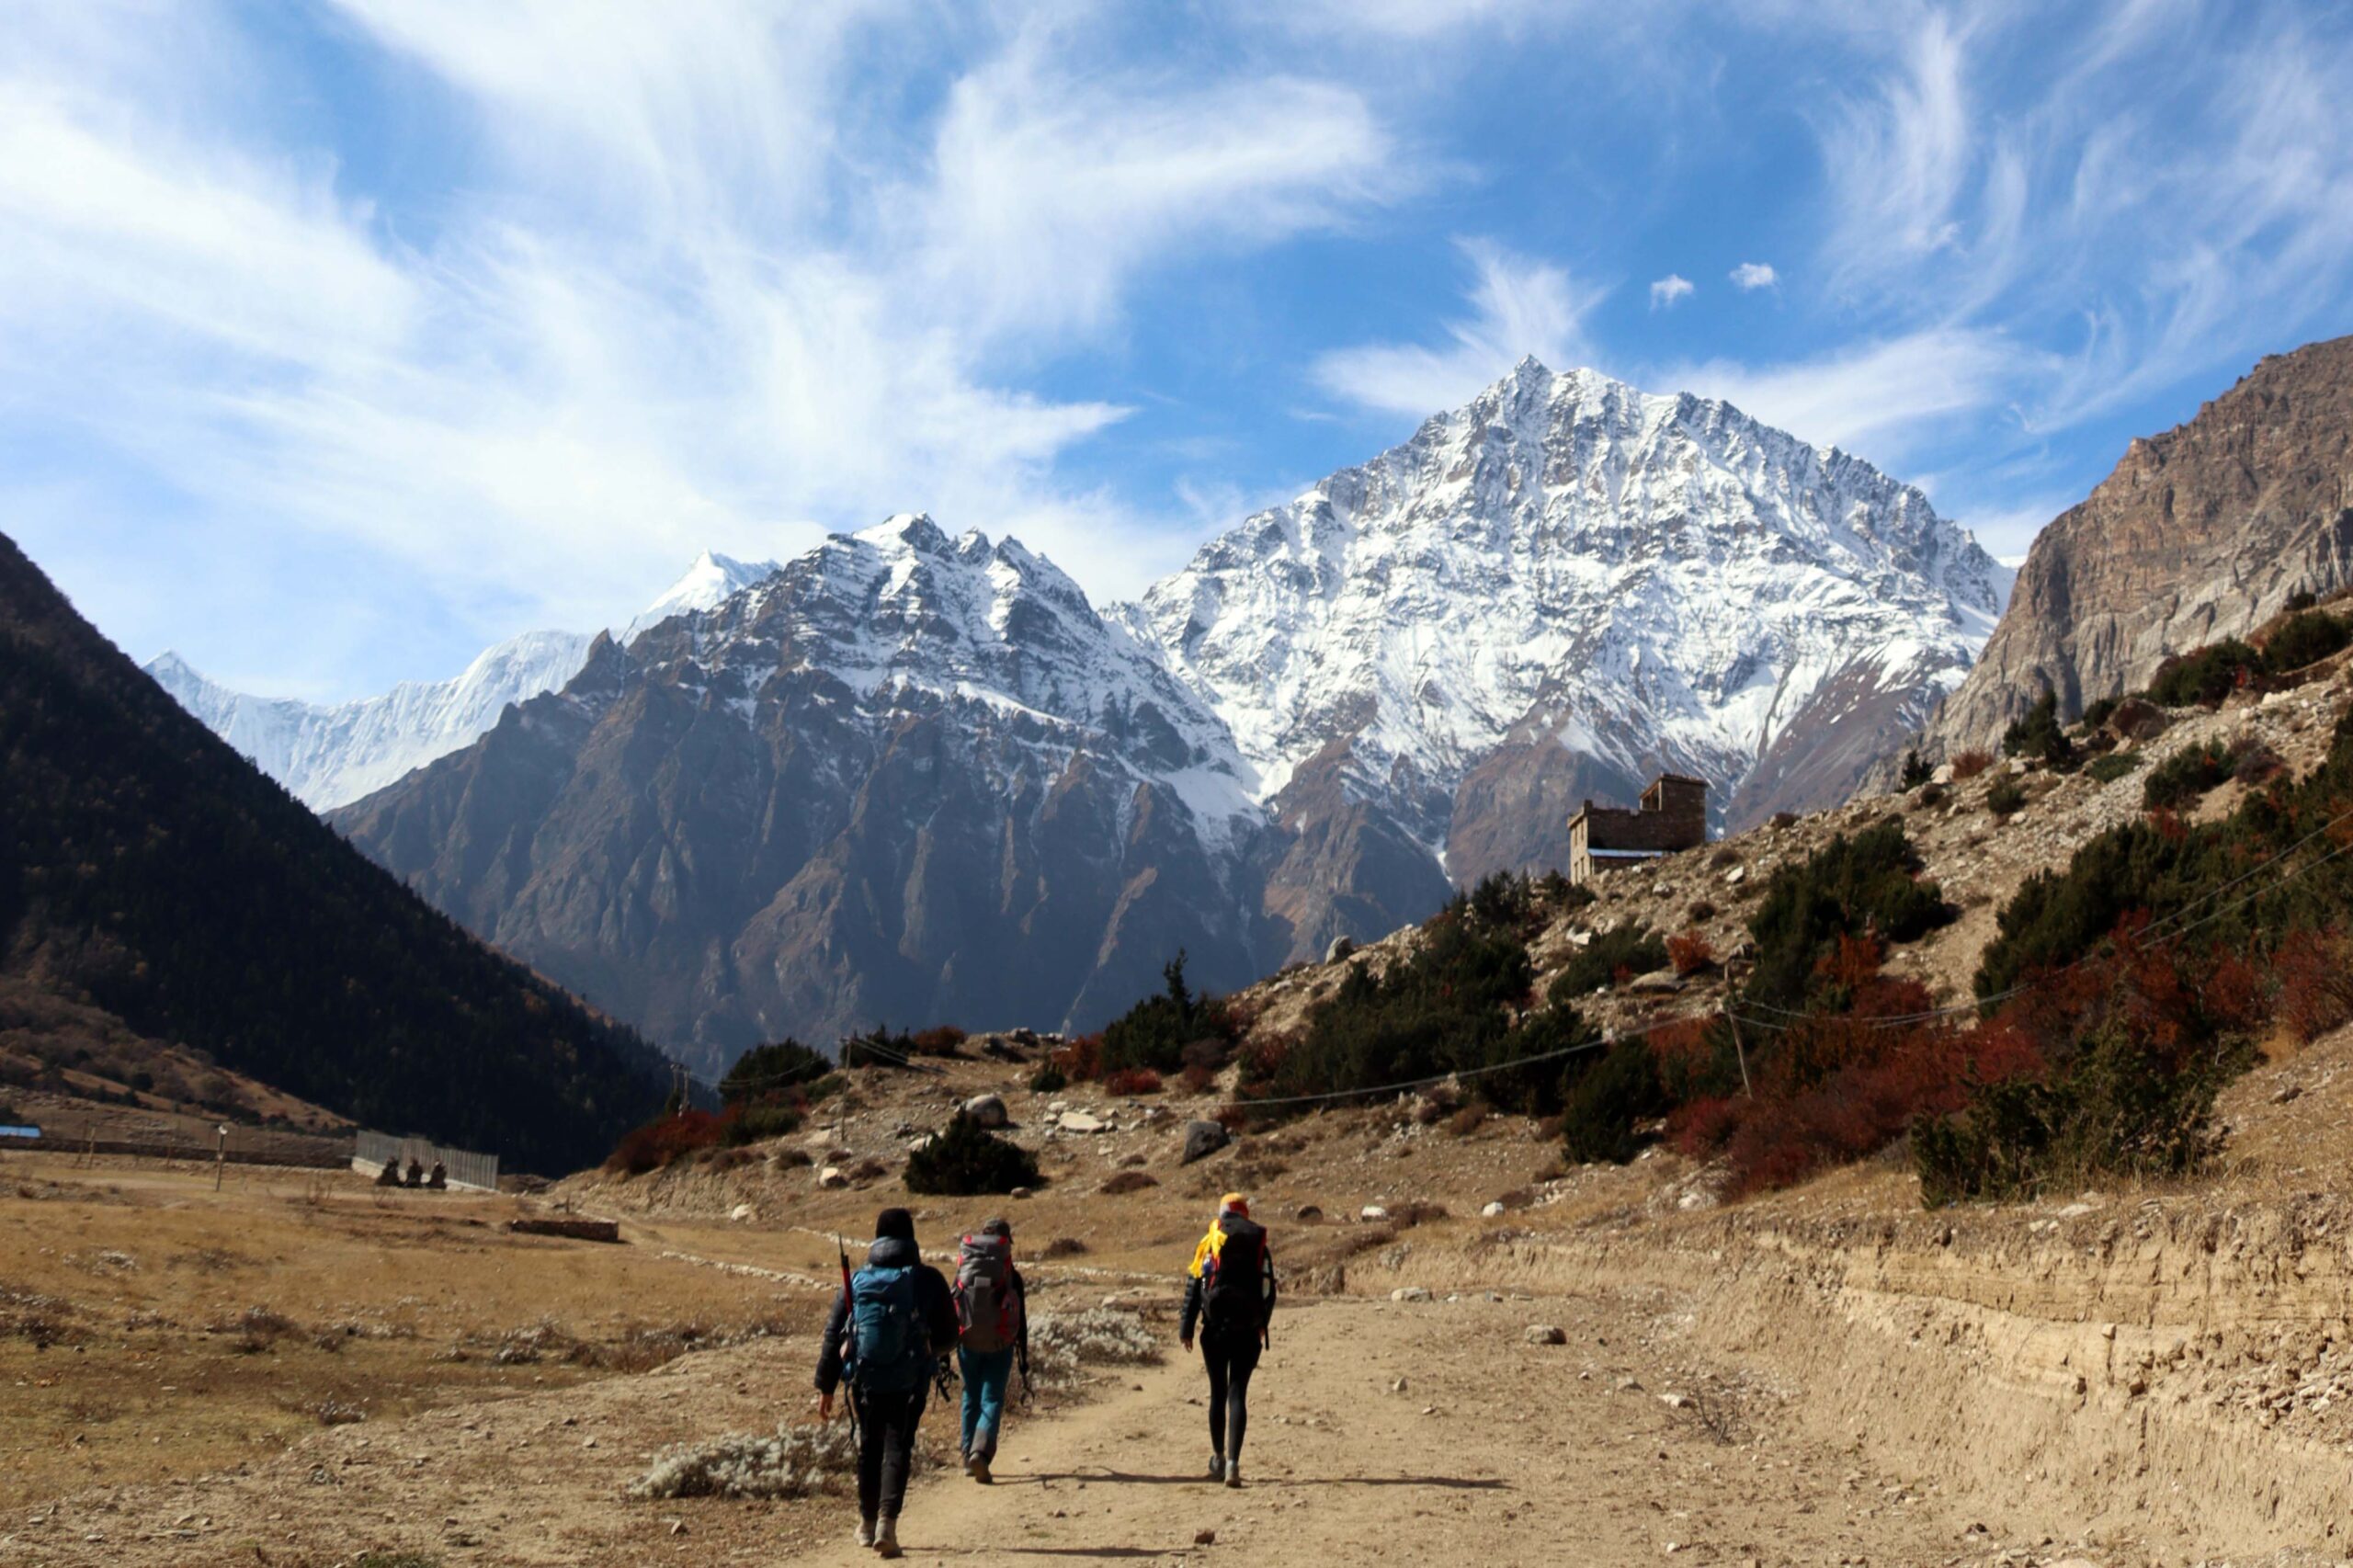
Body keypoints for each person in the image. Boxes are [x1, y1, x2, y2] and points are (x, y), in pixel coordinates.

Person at [815, 1207, 958, 1558]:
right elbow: (950, 1334)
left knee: (869, 1448)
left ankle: (865, 1525)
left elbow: (835, 1334)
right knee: (898, 1447)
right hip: (910, 1382)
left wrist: (826, 1386)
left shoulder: (859, 1280)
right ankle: (886, 1525)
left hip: (866, 1380)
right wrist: (930, 1351)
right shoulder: (927, 1279)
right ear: (911, 1237)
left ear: (877, 1238)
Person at [1179, 1192, 1277, 1488]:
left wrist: (1186, 1328)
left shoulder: (1210, 1242)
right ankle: (1234, 1464)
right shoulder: (1259, 1244)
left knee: (1217, 1392)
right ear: (1245, 1214)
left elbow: (1194, 1287)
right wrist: (1262, 1323)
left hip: (1215, 1330)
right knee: (1238, 1394)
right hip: (1247, 1330)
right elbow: (1269, 1290)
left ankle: (1218, 1458)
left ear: (1222, 1212)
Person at [950, 1217, 1029, 1483]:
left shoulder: (965, 1267)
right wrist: (1024, 1355)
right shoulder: (1012, 1277)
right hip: (1000, 1343)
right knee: (992, 1398)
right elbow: (1022, 1319)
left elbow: (955, 1301)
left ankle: (966, 1455)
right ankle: (981, 1453)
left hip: (968, 1342)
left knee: (970, 1394)